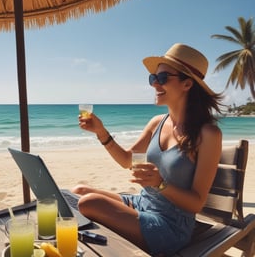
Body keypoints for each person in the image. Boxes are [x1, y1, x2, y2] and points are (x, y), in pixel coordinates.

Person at [72, 43, 223, 256]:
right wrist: (101, 132)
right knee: (78, 191)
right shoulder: (156, 123)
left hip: (171, 224)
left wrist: (160, 184)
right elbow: (127, 160)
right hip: (141, 203)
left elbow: (196, 203)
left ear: (187, 84)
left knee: (89, 203)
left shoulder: (208, 134)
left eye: (162, 78)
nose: (154, 85)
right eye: (153, 78)